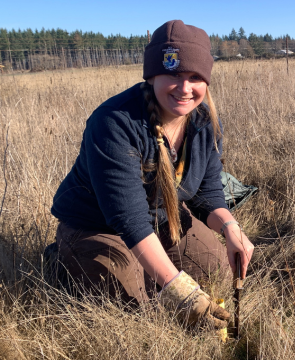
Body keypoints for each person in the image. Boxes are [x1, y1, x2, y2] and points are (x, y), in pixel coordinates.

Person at [50, 20, 254, 329]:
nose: (185, 88)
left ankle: (148, 269)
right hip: (98, 224)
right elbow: (128, 218)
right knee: (133, 310)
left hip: (161, 218)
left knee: (215, 271)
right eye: (173, 74)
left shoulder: (205, 122)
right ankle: (63, 260)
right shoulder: (113, 123)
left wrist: (229, 227)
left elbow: (208, 193)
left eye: (195, 77)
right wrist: (180, 291)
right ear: (152, 74)